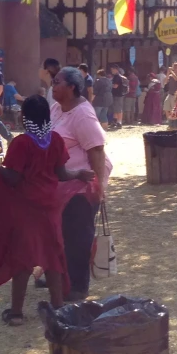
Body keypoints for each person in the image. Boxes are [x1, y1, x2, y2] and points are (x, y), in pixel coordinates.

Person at [45, 69, 111, 303]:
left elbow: (96, 150)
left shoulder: (82, 114)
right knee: (59, 233)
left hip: (81, 186)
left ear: (72, 87)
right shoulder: (56, 107)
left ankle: (78, 286)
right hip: (60, 184)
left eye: (57, 82)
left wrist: (98, 186)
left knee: (78, 237)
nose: (52, 85)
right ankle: (59, 275)